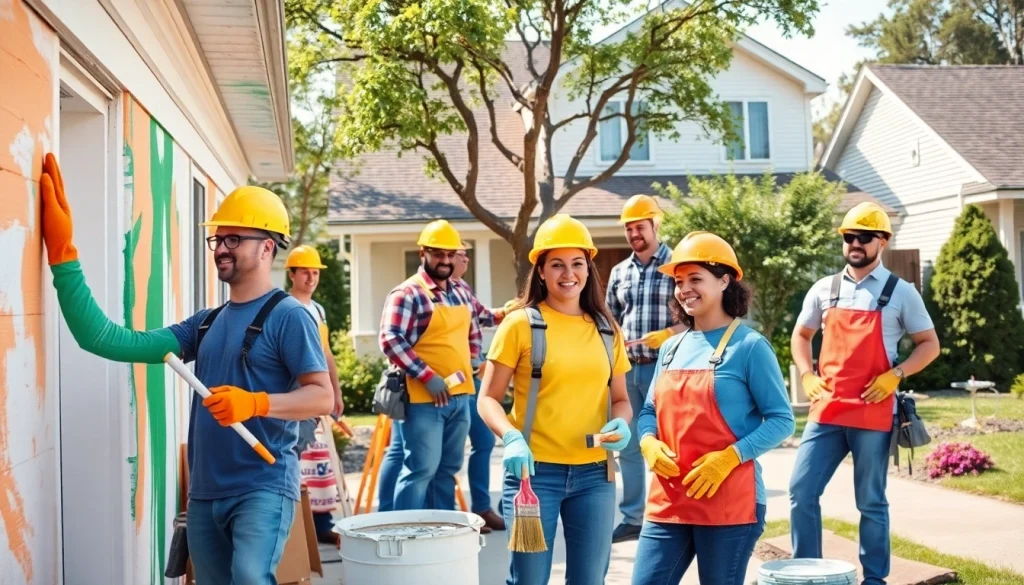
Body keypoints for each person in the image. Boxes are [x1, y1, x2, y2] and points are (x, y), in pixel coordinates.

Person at [37, 154, 333, 584]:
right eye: (218, 239)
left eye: (234, 239)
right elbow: (105, 339)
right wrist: (63, 256)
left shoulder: (289, 316)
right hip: (205, 494)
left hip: (263, 486)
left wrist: (255, 402)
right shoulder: (206, 322)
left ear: (267, 247)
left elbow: (321, 396)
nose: (222, 248)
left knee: (251, 577)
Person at [789, 202, 940, 585]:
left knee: (870, 502)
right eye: (848, 236)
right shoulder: (825, 289)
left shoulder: (901, 292)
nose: (854, 243)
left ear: (883, 241)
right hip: (826, 411)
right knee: (801, 491)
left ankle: (875, 580)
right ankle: (808, 574)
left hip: (873, 414)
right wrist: (807, 375)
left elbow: (929, 344)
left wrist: (897, 374)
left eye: (864, 237)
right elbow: (801, 335)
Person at [478, 213, 633, 585]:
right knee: (529, 580)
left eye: (577, 263)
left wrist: (622, 424)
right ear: (542, 271)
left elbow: (622, 399)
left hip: (596, 475)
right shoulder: (520, 324)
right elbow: (487, 399)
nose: (569, 273)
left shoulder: (606, 329)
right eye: (558, 264)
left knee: (589, 579)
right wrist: (512, 438)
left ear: (588, 268)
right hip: (534, 476)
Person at [632, 231, 794, 585]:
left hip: (729, 505)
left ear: (724, 281)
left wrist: (730, 457)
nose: (684, 288)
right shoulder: (671, 348)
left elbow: (782, 420)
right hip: (669, 501)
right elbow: (648, 411)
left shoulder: (750, 346)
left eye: (695, 279)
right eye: (678, 281)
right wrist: (647, 440)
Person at [378, 219, 482, 511]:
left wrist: (473, 359)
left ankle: (439, 535)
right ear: (423, 253)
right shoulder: (407, 294)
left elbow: (474, 328)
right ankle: (402, 538)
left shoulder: (460, 291)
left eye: (450, 254)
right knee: (419, 470)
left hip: (460, 396)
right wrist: (428, 377)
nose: (445, 261)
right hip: (424, 399)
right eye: (438, 254)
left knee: (446, 472)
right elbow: (390, 339)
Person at [605, 194, 683, 542]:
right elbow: (608, 321)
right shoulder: (619, 272)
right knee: (630, 446)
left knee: (671, 442)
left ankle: (674, 511)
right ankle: (634, 518)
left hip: (666, 370)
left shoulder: (677, 266)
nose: (634, 233)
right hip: (628, 370)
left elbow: (698, 316)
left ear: (655, 224)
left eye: (640, 226)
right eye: (629, 228)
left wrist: (669, 333)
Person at [423, 240, 507, 532]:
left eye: (463, 254)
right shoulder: (422, 294)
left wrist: (513, 309)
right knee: (433, 461)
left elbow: (486, 316)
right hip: (442, 387)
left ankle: (481, 508)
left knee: (482, 443)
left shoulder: (462, 290)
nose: (465, 259)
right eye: (460, 254)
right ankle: (438, 517)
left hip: (470, 380)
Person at [286, 244, 345, 546]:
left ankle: (322, 523)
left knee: (319, 461)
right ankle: (292, 525)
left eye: (315, 272)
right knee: (293, 457)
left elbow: (326, 353)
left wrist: (336, 391)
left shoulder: (318, 310)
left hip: (319, 396)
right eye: (305, 272)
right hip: (298, 395)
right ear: (291, 274)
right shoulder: (284, 307)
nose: (311, 277)